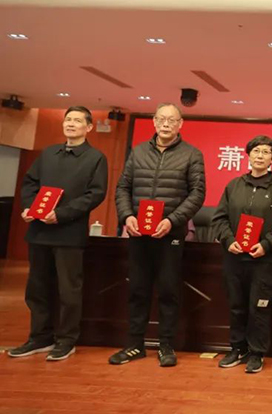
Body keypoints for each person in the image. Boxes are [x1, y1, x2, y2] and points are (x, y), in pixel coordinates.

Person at [9, 106, 108, 361]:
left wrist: (62, 214)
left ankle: (66, 340)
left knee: (68, 291)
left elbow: (95, 194)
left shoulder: (95, 158)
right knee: (37, 288)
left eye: (77, 120)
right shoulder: (48, 153)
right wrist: (29, 207)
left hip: (69, 234)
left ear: (89, 127)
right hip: (39, 232)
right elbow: (30, 183)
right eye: (68, 119)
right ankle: (39, 337)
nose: (71, 124)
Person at [110, 103, 206, 367]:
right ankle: (134, 345)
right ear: (153, 121)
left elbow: (197, 194)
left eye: (171, 120)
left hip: (170, 234)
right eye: (161, 119)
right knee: (137, 289)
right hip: (138, 233)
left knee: (168, 290)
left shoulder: (192, 154)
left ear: (180, 124)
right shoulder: (139, 151)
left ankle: (166, 345)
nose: (166, 124)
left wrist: (172, 221)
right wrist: (126, 216)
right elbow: (123, 187)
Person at [213, 135, 272, 374]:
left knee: (260, 308)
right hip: (235, 258)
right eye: (256, 151)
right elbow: (220, 219)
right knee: (236, 306)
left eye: (266, 152)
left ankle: (257, 352)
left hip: (264, 260)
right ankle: (237, 348)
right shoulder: (234, 185)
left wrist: (266, 245)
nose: (260, 156)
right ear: (248, 155)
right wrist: (229, 240)